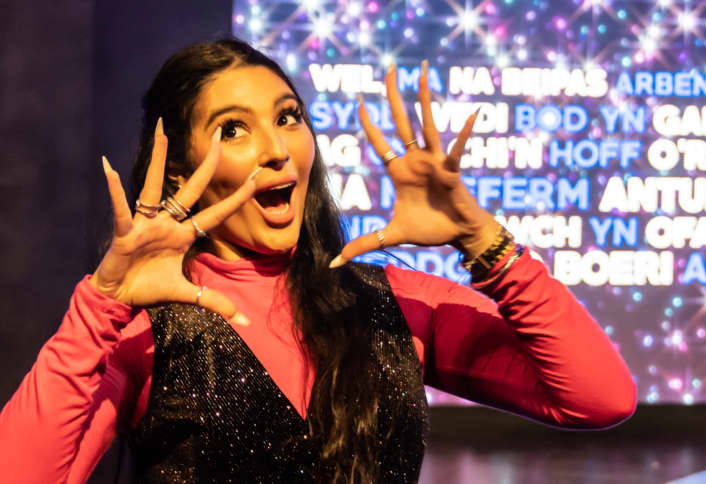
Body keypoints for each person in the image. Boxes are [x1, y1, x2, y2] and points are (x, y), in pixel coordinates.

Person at [0, 39, 635, 483]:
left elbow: (600, 398)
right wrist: (101, 306)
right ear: (182, 169)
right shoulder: (139, 330)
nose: (278, 148)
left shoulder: (395, 304)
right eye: (233, 129)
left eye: (288, 117)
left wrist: (482, 239)